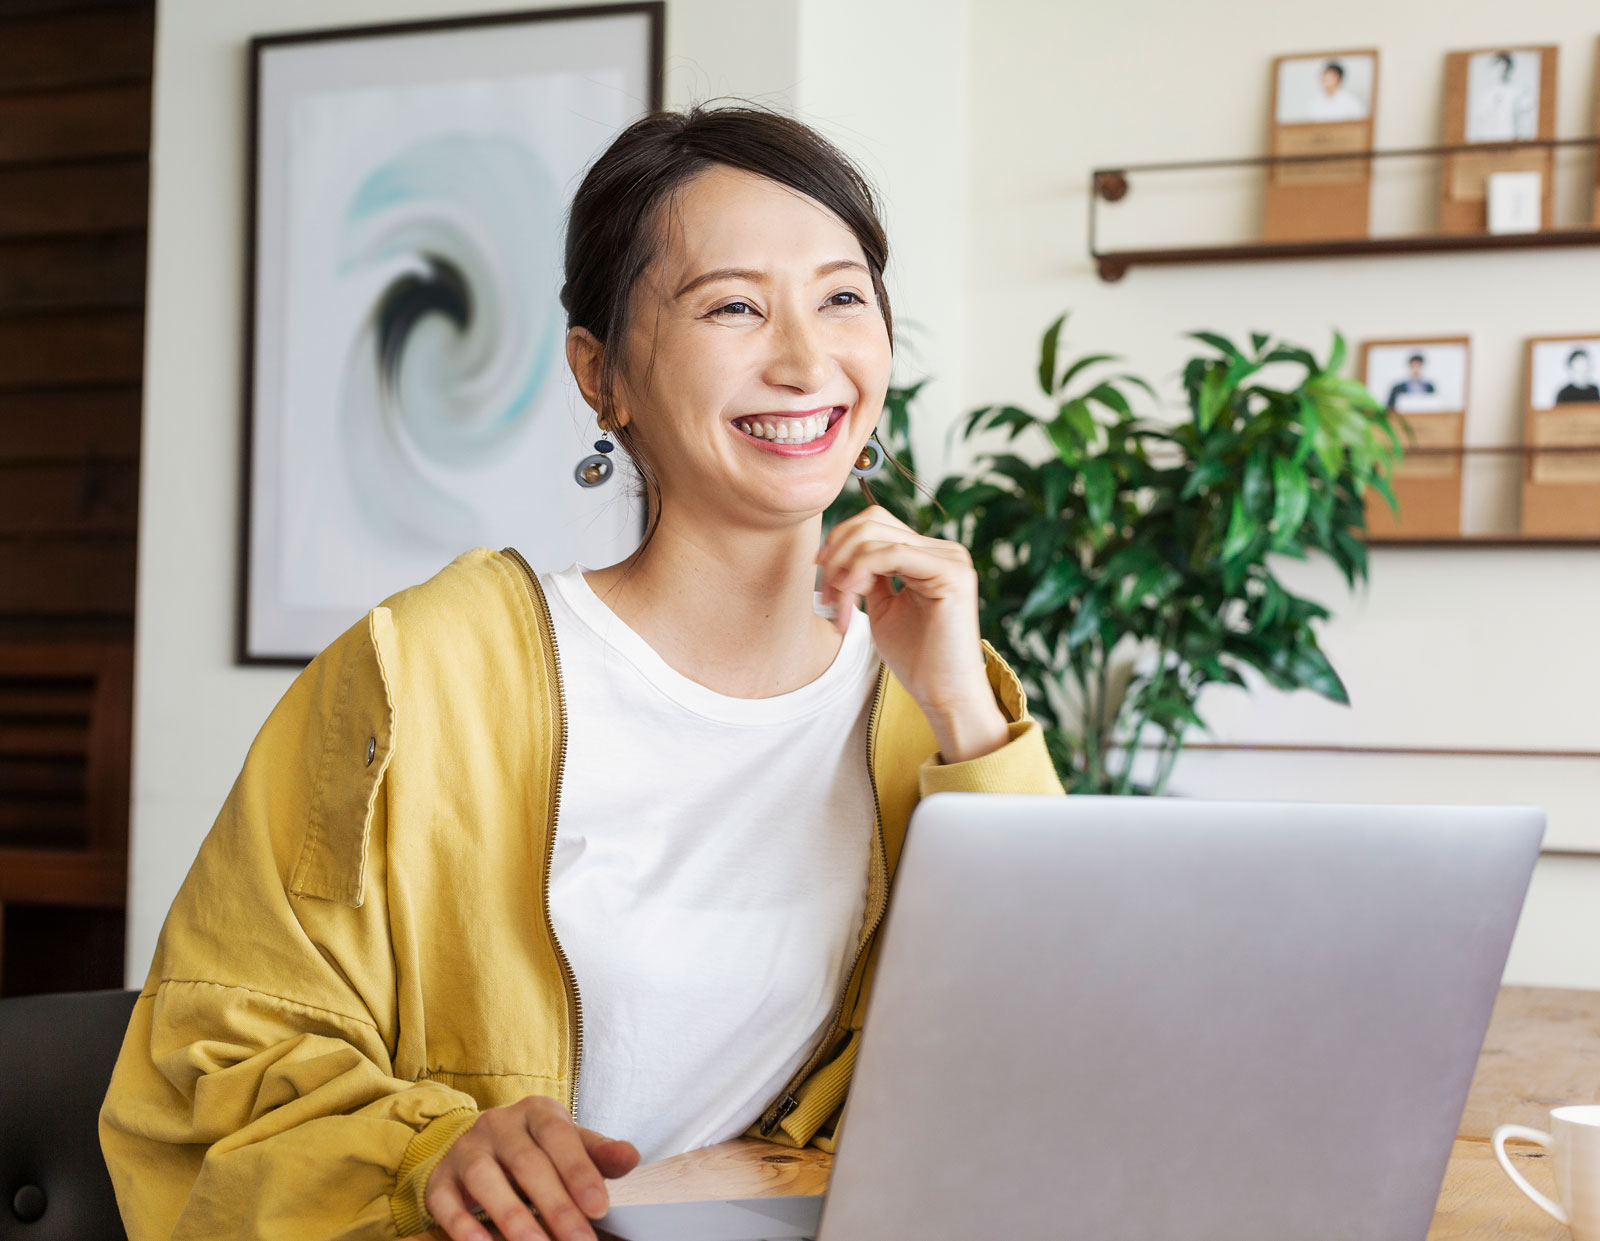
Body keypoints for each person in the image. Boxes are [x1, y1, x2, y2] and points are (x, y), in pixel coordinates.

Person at [98, 104, 1064, 1241]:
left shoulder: (937, 699)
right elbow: (213, 1054)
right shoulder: (425, 666)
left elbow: (1051, 1061)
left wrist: (962, 712)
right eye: (734, 306)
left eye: (843, 296)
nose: (807, 359)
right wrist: (430, 1148)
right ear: (600, 373)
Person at [1468, 51, 1536, 143]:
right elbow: (1479, 120)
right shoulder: (1486, 94)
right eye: (1497, 68)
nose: (1500, 72)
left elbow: (1528, 117)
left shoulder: (1519, 91)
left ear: (1509, 69)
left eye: (1504, 68)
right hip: (1488, 142)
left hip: (1512, 140)